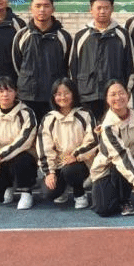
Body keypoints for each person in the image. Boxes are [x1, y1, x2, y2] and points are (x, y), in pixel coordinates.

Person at [89, 80, 134, 217]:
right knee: (103, 209)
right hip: (107, 167)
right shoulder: (107, 126)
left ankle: (125, 200)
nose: (118, 97)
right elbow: (121, 154)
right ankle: (118, 195)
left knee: (120, 172)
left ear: (128, 95)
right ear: (107, 99)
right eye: (113, 94)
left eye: (121, 93)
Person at [71, 0, 134, 120]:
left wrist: (126, 90)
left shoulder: (122, 35)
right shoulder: (81, 36)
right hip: (87, 95)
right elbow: (72, 66)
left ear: (112, 9)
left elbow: (131, 65)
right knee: (89, 129)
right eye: (99, 8)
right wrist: (76, 91)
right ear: (91, 9)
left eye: (106, 8)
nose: (102, 11)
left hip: (114, 96)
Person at [37, 77, 97, 210]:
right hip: (59, 163)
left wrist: (76, 155)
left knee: (71, 170)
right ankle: (62, 188)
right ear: (53, 97)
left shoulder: (85, 114)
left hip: (81, 162)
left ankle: (79, 194)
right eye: (58, 94)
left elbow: (93, 140)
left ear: (73, 94)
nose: (62, 97)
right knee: (48, 192)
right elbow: (44, 148)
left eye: (66, 93)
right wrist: (50, 172)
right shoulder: (48, 119)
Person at [12, 0, 73, 121]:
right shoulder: (22, 35)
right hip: (27, 96)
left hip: (54, 97)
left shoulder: (64, 37)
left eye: (46, 6)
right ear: (30, 8)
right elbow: (17, 64)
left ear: (53, 9)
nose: (42, 10)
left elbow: (68, 66)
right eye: (38, 6)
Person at [0, 75, 38, 210]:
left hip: (21, 155)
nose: (5, 95)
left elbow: (25, 140)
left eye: (9, 90)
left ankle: (26, 192)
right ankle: (7, 186)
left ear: (16, 92)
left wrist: (3, 154)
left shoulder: (26, 113)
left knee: (22, 160)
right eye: (1, 91)